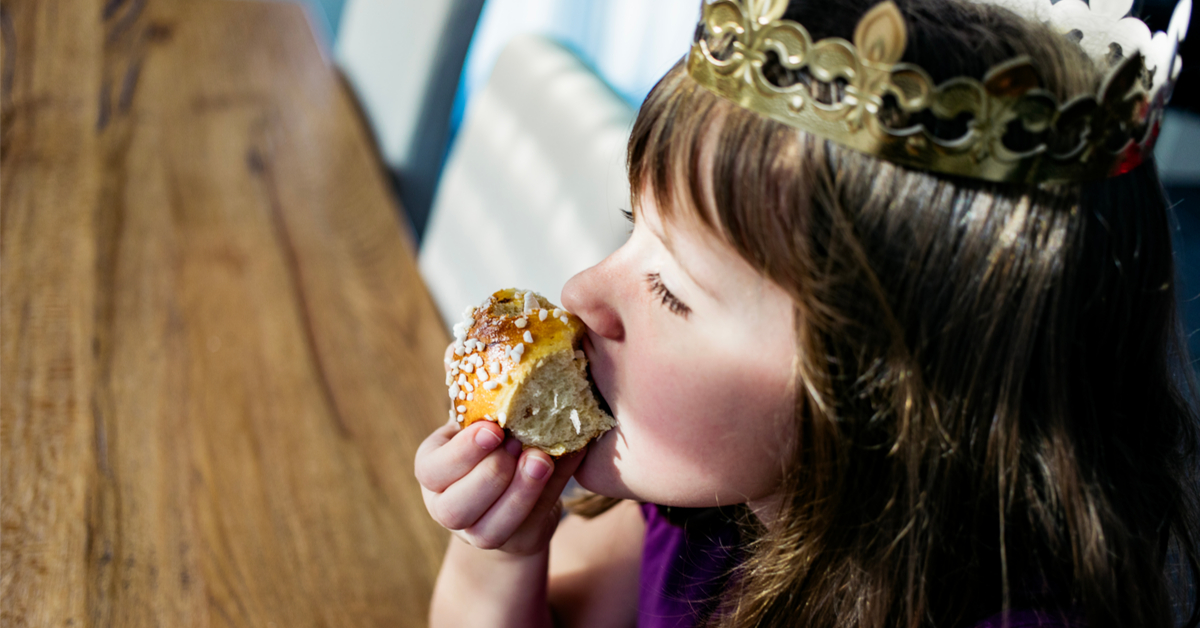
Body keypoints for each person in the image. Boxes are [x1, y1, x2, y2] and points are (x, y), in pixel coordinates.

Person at [414, 0, 1200, 625]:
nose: (582, 289)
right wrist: (505, 552)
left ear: (883, 396)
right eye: (633, 229)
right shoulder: (718, 505)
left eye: (670, 290)